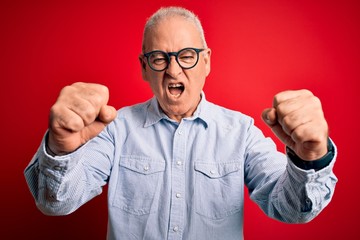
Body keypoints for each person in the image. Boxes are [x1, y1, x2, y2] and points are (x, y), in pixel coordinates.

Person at [24, 6, 337, 240]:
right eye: (159, 58)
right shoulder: (116, 129)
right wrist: (61, 148)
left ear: (207, 61)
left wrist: (309, 160)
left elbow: (293, 209)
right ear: (144, 69)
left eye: (187, 55)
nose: (173, 71)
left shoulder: (240, 133)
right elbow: (57, 202)